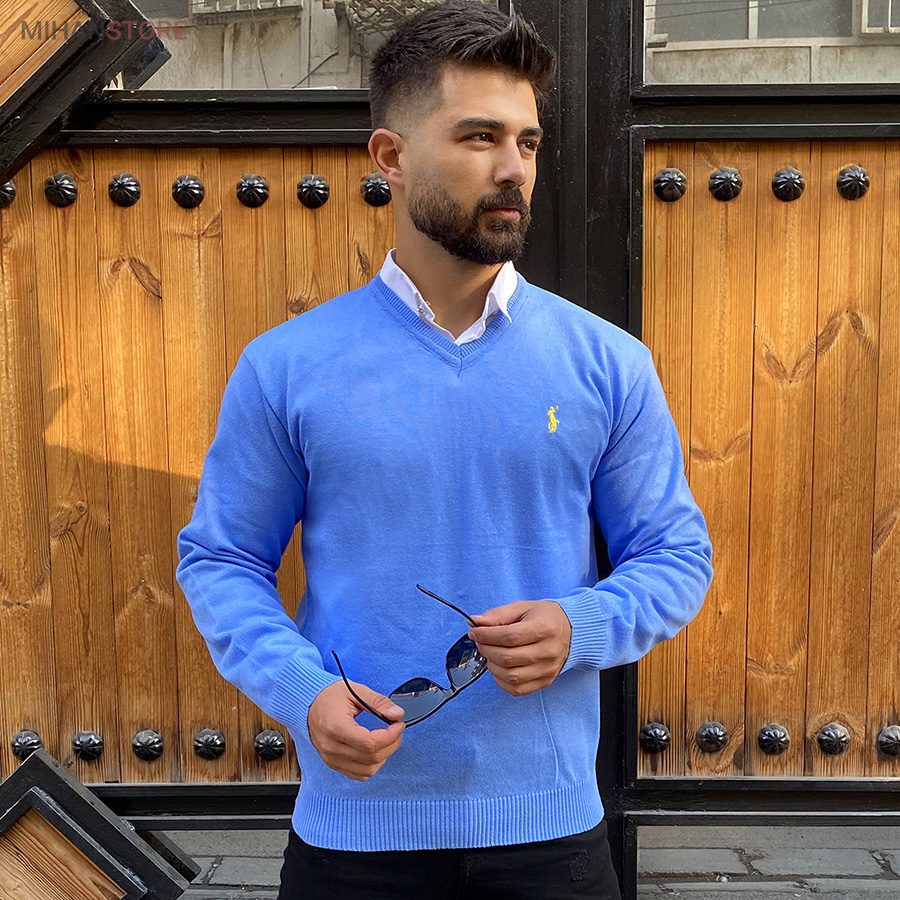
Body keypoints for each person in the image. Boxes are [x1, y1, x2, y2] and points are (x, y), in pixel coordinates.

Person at [175, 2, 714, 897]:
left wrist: (579, 627)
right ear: (390, 157)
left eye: (527, 142)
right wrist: (304, 693)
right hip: (352, 842)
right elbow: (222, 559)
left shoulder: (608, 362)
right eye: (478, 137)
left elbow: (676, 555)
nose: (514, 169)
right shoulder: (287, 367)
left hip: (553, 840)